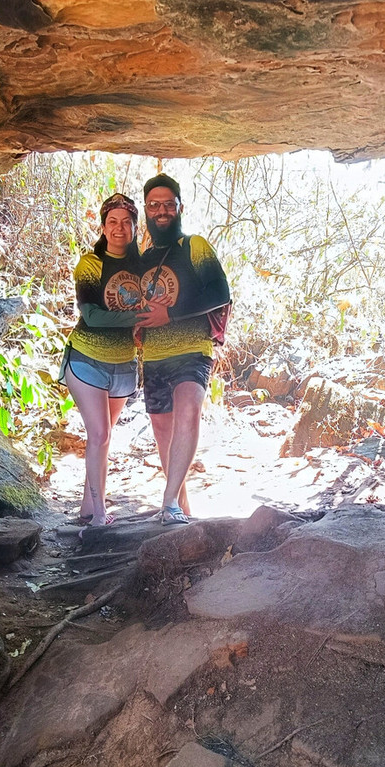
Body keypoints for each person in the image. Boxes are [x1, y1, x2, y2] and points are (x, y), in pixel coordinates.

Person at [134, 173, 232, 525]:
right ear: (146, 210)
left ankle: (169, 502)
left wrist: (170, 313)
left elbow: (219, 292)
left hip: (193, 348)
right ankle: (182, 509)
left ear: (180, 208)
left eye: (168, 205)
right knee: (162, 431)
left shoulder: (195, 246)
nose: (162, 211)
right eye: (154, 205)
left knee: (189, 410)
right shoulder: (142, 258)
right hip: (155, 355)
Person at [59, 193, 144, 527]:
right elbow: (92, 315)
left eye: (126, 222)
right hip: (87, 359)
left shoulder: (144, 266)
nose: (119, 228)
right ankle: (100, 515)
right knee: (99, 435)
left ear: (135, 226)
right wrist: (137, 317)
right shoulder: (90, 265)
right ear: (103, 226)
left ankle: (87, 508)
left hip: (123, 364)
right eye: (113, 221)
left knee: (104, 437)